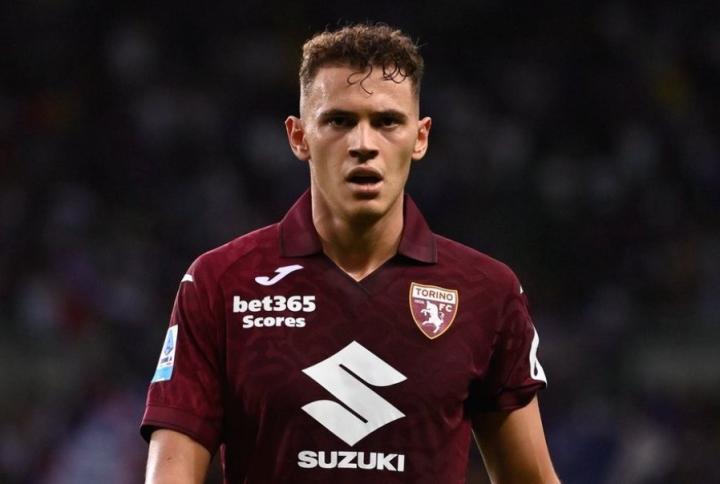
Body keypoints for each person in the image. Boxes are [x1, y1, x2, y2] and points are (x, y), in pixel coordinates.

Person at [141, 23, 559, 484]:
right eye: (339, 121)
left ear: (420, 137)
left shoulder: (486, 292)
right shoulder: (221, 283)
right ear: (299, 136)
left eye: (387, 122)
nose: (363, 145)